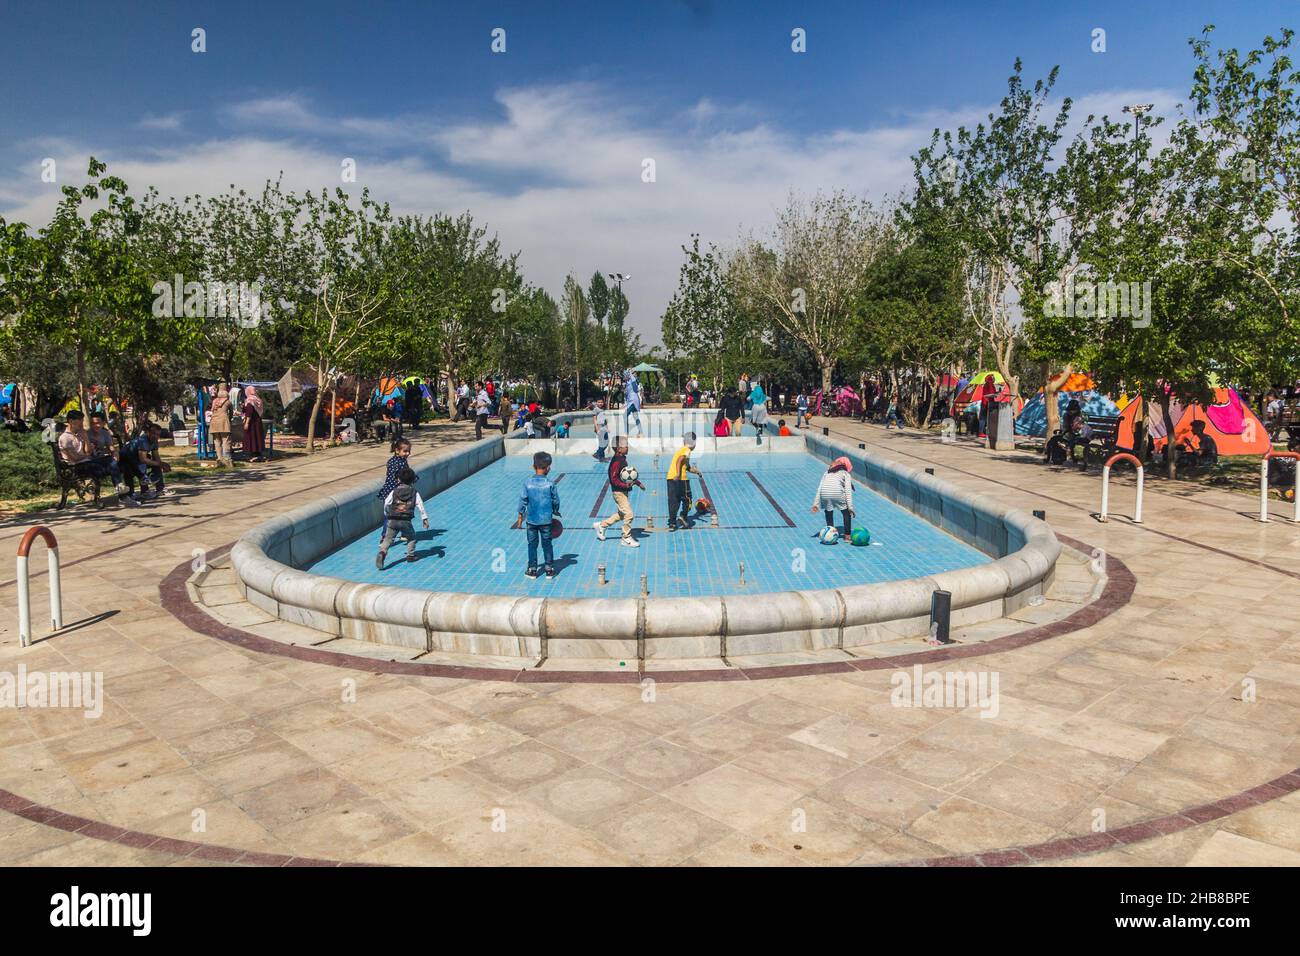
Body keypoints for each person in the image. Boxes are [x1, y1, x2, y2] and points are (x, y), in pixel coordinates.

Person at [58, 410, 137, 506]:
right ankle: (121, 492)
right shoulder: (64, 438)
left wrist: (85, 438)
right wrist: (86, 455)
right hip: (77, 466)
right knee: (111, 466)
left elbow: (88, 451)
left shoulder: (79, 434)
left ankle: (120, 487)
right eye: (80, 421)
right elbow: (75, 459)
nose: (82, 424)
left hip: (88, 461)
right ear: (71, 421)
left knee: (112, 460)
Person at [511, 450, 561, 578]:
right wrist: (555, 510)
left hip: (532, 521)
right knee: (547, 544)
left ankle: (532, 569)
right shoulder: (550, 484)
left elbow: (522, 501)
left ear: (534, 467)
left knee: (532, 545)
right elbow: (556, 500)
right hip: (546, 521)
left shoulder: (527, 483)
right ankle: (549, 569)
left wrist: (520, 517)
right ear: (548, 468)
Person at [595, 437, 645, 547]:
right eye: (625, 446)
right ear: (618, 448)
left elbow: (627, 475)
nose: (628, 447)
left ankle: (602, 525)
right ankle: (625, 538)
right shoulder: (617, 461)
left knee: (621, 514)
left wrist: (637, 483)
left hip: (622, 491)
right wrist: (625, 485)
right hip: (618, 492)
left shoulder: (622, 458)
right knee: (629, 514)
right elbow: (613, 479)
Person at [377, 466, 429, 568]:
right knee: (412, 537)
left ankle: (382, 552)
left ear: (399, 479)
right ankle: (410, 555)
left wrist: (386, 514)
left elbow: (387, 503)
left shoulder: (394, 491)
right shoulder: (414, 492)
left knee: (388, 539)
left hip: (392, 519)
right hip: (406, 520)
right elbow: (420, 505)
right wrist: (424, 518)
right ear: (413, 480)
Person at [121, 421, 174, 500]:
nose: (156, 436)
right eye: (154, 433)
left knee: (156, 464)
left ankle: (160, 489)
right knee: (140, 465)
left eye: (158, 434)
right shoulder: (143, 441)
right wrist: (160, 464)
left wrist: (161, 464)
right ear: (148, 432)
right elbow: (143, 459)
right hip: (125, 460)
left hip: (136, 459)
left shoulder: (154, 441)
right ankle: (143, 491)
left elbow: (155, 455)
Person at [376, 437, 414, 542]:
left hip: (397, 491)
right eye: (405, 451)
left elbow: (406, 474)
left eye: (408, 451)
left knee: (401, 513)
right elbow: (395, 476)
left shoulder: (402, 460)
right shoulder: (395, 462)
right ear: (397, 450)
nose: (407, 453)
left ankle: (402, 533)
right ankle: (386, 536)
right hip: (394, 492)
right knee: (393, 515)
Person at [811, 457, 855, 538]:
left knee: (828, 511)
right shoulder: (845, 474)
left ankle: (830, 533)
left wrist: (816, 504)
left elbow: (820, 488)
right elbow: (848, 491)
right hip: (837, 494)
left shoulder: (827, 473)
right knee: (846, 513)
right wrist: (850, 508)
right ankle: (847, 535)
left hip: (825, 494)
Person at [666, 431, 702, 531]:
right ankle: (683, 515)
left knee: (673, 501)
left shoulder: (681, 450)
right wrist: (678, 474)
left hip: (670, 478)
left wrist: (697, 472)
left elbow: (687, 467)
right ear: (694, 443)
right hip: (681, 479)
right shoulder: (687, 450)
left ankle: (672, 523)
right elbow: (679, 461)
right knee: (688, 499)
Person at [209, 384, 233, 465]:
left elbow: (212, 410)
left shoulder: (214, 401)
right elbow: (231, 414)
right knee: (226, 440)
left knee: (217, 440)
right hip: (223, 422)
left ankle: (219, 458)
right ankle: (227, 458)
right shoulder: (228, 402)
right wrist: (229, 419)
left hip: (214, 421)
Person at [242, 385, 267, 461]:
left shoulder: (250, 400)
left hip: (251, 423)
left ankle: (251, 455)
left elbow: (249, 412)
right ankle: (258, 453)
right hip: (257, 422)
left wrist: (247, 423)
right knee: (257, 437)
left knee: (251, 437)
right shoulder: (257, 399)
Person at [624, 371, 643, 437]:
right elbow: (627, 395)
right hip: (632, 401)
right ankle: (641, 432)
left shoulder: (632, 381)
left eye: (625, 376)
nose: (624, 377)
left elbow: (634, 379)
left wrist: (630, 372)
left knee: (625, 415)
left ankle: (626, 433)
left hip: (633, 401)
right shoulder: (628, 383)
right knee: (636, 417)